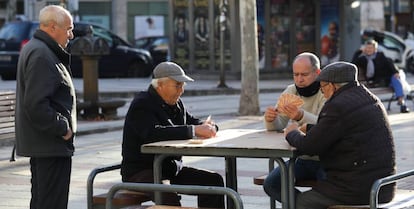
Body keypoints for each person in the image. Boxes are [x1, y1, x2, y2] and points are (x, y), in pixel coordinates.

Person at [284, 61, 396, 209]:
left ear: (332, 86)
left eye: (323, 86)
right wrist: (311, 128)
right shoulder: (367, 97)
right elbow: (341, 129)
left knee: (304, 201)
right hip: (383, 186)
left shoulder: (337, 106)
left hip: (358, 189)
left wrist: (291, 133)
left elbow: (309, 147)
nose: (322, 92)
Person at [121, 61, 225, 208]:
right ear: (160, 85)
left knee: (214, 182)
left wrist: (209, 126)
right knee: (169, 197)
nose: (181, 90)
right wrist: (194, 130)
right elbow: (154, 133)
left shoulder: (176, 103)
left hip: (170, 168)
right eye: (177, 85)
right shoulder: (142, 104)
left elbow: (193, 121)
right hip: (140, 172)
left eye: (183, 85)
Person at [15, 5, 76, 209]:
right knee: (51, 203)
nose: (71, 34)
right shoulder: (42, 54)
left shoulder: (40, 49)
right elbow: (36, 105)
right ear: (52, 28)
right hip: (50, 145)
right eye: (68, 29)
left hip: (46, 145)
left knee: (43, 202)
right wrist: (63, 128)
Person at [263, 52, 326, 202]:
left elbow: (327, 125)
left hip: (326, 159)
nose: (299, 79)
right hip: (301, 158)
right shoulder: (291, 91)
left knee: (328, 190)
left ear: (317, 73)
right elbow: (278, 126)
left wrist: (300, 116)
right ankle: (305, 206)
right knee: (271, 184)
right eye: (295, 74)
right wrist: (271, 119)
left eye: (304, 74)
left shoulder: (326, 90)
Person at [352, 39, 410, 113]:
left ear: (375, 49)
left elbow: (389, 62)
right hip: (376, 81)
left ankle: (401, 102)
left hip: (387, 78)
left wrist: (396, 72)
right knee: (396, 82)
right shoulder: (363, 59)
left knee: (395, 79)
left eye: (370, 48)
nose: (369, 50)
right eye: (367, 48)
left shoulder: (380, 55)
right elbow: (353, 64)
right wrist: (358, 52)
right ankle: (402, 103)